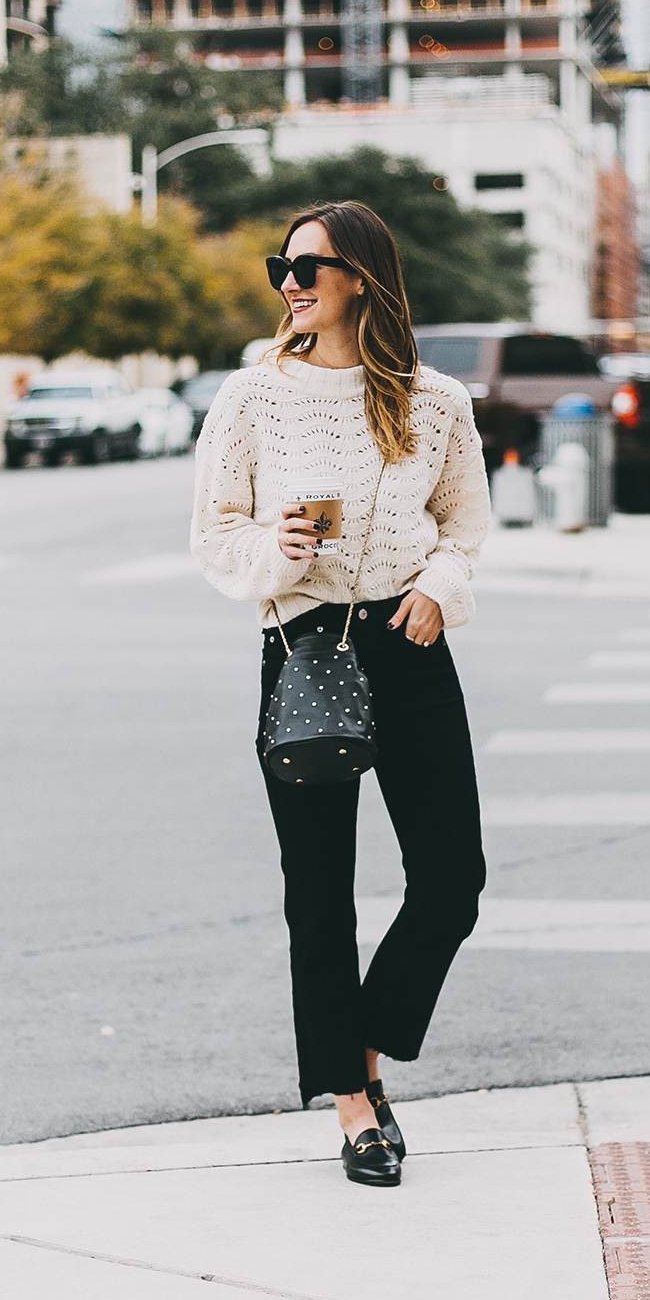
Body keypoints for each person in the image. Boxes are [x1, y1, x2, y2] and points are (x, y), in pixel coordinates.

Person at [192, 201, 490, 1187]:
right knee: (318, 896)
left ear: (359, 276)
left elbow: (464, 526)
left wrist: (442, 590)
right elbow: (213, 533)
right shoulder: (252, 398)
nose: (288, 281)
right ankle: (353, 1107)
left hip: (407, 641)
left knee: (452, 883)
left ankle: (359, 1047)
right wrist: (268, 550)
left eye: (307, 266)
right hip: (305, 642)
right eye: (281, 265)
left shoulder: (434, 400)